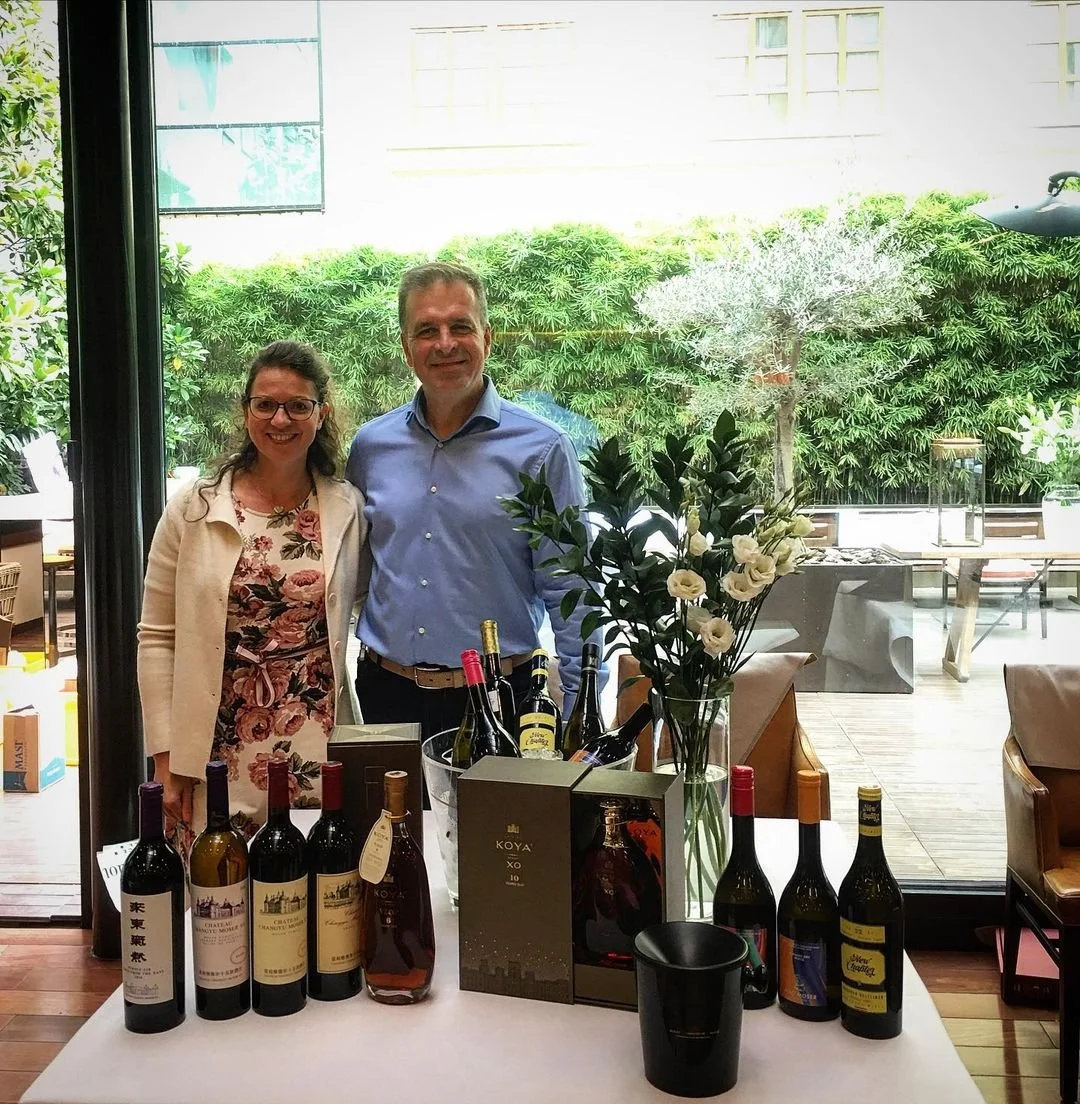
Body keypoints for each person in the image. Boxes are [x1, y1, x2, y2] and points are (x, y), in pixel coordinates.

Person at [345, 261, 604, 745]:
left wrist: (580, 709)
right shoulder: (370, 447)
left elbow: (572, 589)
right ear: (406, 347)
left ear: (487, 336)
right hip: (385, 695)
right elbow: (353, 573)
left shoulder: (542, 449)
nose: (445, 343)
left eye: (460, 326)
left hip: (503, 697)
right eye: (427, 330)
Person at [138, 340, 367, 849]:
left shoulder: (346, 508)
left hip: (317, 740)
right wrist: (166, 755)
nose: (280, 419)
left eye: (298, 405)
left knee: (318, 880)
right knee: (221, 886)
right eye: (265, 404)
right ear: (246, 412)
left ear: (321, 413)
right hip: (215, 743)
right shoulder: (194, 509)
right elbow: (156, 637)